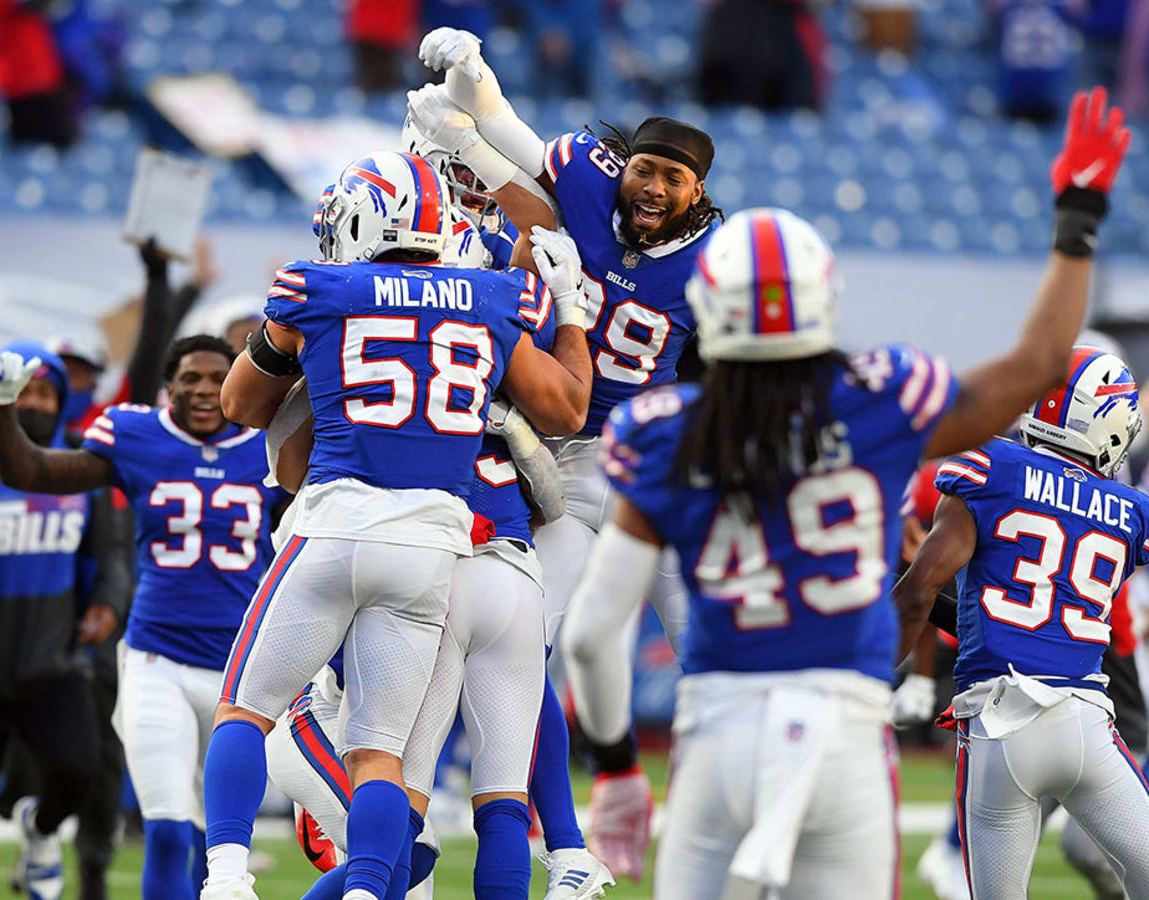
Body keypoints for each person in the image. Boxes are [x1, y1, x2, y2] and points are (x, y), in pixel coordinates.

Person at [559, 86, 1129, 898]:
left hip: (722, 730)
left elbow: (588, 637)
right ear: (823, 297)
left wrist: (617, 768)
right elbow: (1036, 366)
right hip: (843, 733)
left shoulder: (662, 427)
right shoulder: (881, 395)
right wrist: (1076, 222)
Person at [201, 149, 593, 900]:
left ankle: (226, 876)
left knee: (245, 709)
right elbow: (566, 409)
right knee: (382, 756)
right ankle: (367, 888)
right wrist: (568, 312)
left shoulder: (315, 285)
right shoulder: (489, 295)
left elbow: (240, 405)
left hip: (336, 523)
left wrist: (284, 344)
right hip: (433, 550)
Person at [409, 31, 722, 878]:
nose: (652, 186)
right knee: (524, 634)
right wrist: (471, 75)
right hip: (560, 455)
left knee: (709, 649)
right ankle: (526, 818)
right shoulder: (580, 181)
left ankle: (703, 812)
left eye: (672, 177)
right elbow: (503, 128)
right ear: (623, 167)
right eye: (644, 169)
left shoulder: (715, 264)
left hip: (657, 464)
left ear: (697, 192)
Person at [0, 334, 288, 900]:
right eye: (188, 378)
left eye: (215, 376)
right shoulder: (138, 437)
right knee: (168, 832)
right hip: (158, 661)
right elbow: (31, 473)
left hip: (242, 670)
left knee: (215, 845)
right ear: (166, 388)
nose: (201, 388)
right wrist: (1, 410)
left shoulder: (267, 444)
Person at [895, 345, 1149, 899]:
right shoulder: (1129, 510)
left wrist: (867, 677)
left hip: (997, 728)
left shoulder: (992, 467)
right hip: (1086, 726)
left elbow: (918, 594)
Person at [0, 341, 130, 900]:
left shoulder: (78, 459)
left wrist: (108, 601)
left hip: (54, 657)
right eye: (23, 390)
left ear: (62, 400)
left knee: (79, 768)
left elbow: (110, 555)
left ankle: (41, 829)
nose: (34, 401)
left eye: (46, 391)